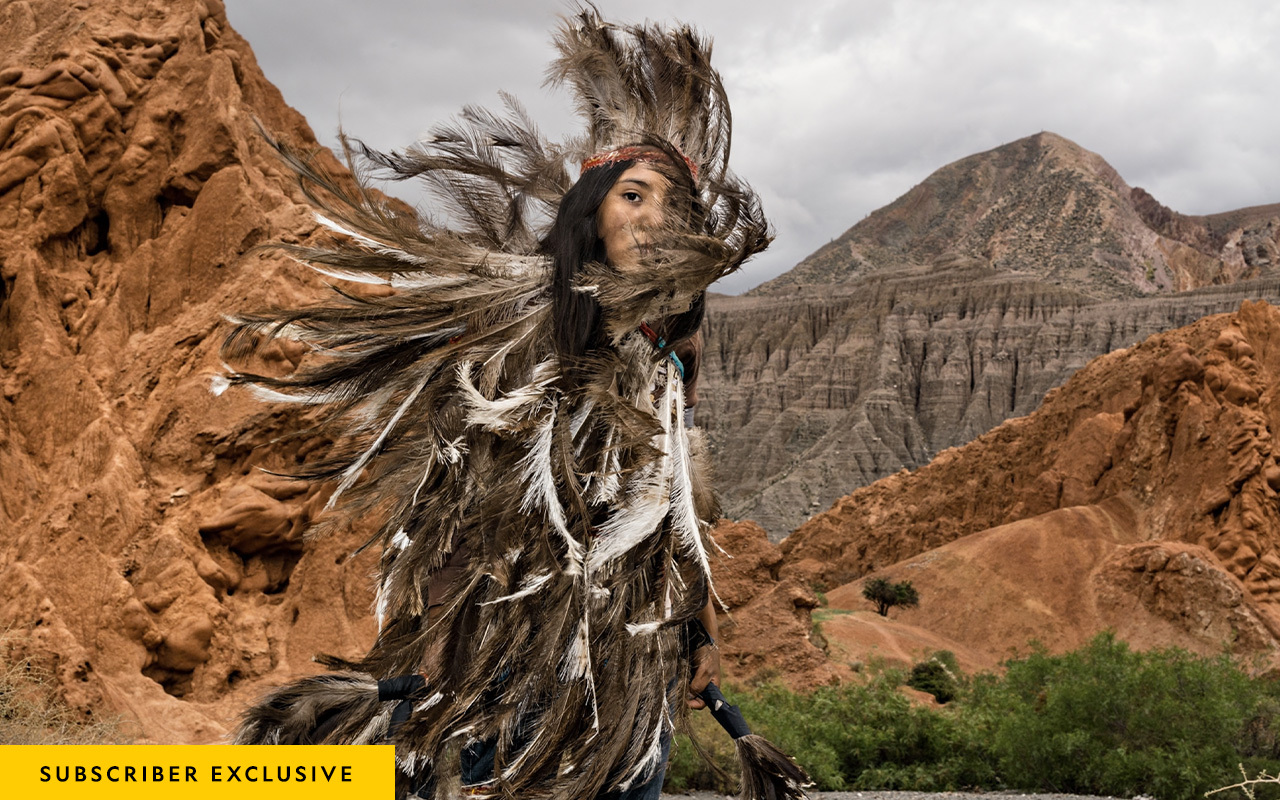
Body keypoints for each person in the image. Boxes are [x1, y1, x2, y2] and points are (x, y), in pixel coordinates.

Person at [223, 8, 770, 799]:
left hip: (631, 674)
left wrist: (701, 641)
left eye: (673, 207)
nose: (654, 221)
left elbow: (675, 521)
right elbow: (454, 501)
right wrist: (433, 643)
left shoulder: (666, 365)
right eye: (633, 196)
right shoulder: (522, 334)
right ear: (591, 214)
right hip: (516, 661)